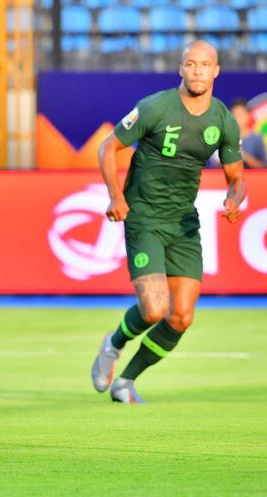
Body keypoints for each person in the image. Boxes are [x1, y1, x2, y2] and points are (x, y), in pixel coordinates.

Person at [91, 40, 247, 403]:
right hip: (144, 217)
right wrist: (116, 196)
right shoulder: (156, 107)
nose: (197, 70)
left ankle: (126, 381)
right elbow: (107, 147)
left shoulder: (223, 120)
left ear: (216, 71)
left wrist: (234, 200)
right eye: (191, 63)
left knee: (181, 317)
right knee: (154, 309)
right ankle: (113, 344)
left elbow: (237, 178)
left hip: (184, 224)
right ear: (181, 68)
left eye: (204, 64)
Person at [230, 99, 266, 169]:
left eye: (239, 115)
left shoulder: (256, 139)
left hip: (253, 178)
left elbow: (263, 166)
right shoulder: (226, 139)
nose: (236, 118)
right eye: (234, 114)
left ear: (247, 116)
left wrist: (244, 157)